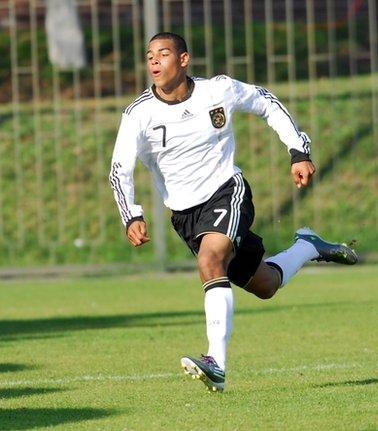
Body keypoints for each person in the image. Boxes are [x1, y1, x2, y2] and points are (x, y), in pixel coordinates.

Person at [109, 32, 358, 392]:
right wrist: (130, 214)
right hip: (185, 215)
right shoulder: (138, 115)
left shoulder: (218, 91)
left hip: (228, 191)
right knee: (265, 285)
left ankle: (216, 364)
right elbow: (119, 168)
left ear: (183, 60)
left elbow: (265, 101)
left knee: (211, 261)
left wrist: (298, 151)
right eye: (149, 56)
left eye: (163, 54)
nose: (154, 61)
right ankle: (309, 246)